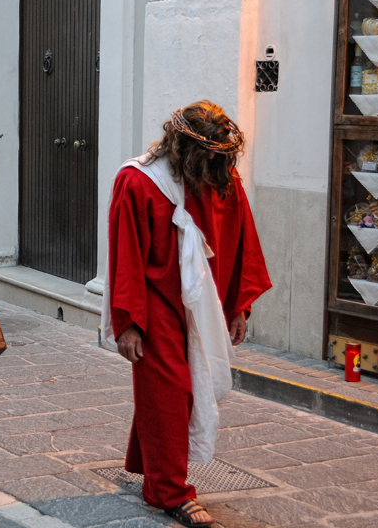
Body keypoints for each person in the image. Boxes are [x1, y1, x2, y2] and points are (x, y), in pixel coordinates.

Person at [103, 101, 271, 528]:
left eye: (221, 157)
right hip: (156, 302)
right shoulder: (138, 181)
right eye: (207, 156)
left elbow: (241, 240)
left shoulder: (220, 176)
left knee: (175, 393)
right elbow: (126, 255)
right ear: (181, 147)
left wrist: (239, 307)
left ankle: (153, 465)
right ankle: (170, 491)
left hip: (205, 302)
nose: (215, 164)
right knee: (170, 390)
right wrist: (128, 323)